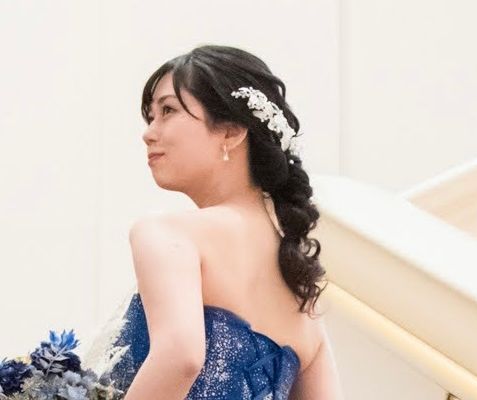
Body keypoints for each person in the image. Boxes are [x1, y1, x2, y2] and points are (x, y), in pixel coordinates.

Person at [104, 44, 344, 399]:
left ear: (231, 132)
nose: (149, 132)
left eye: (168, 110)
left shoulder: (167, 233)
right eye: (150, 117)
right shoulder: (301, 294)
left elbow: (180, 356)